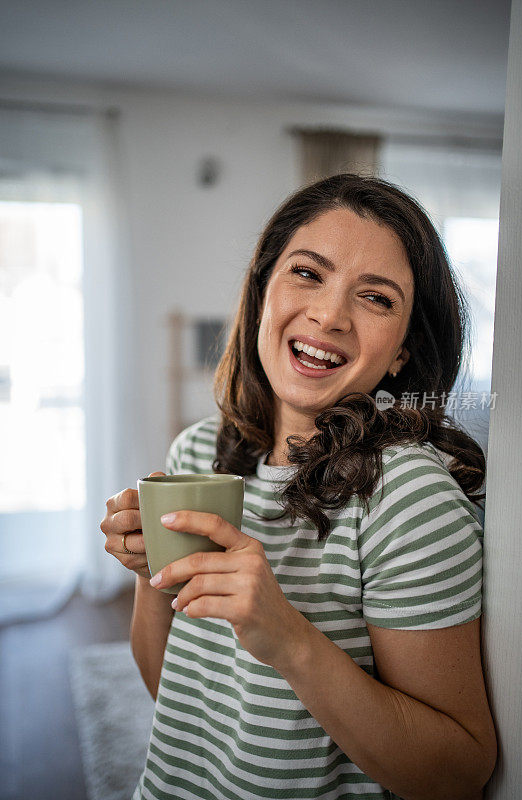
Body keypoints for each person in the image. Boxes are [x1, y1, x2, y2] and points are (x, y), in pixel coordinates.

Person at [100, 174, 497, 800]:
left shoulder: (409, 498)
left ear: (401, 352)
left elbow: (454, 774)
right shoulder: (199, 454)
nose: (329, 315)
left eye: (375, 298)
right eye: (308, 274)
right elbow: (171, 695)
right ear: (263, 291)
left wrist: (288, 638)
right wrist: (153, 575)